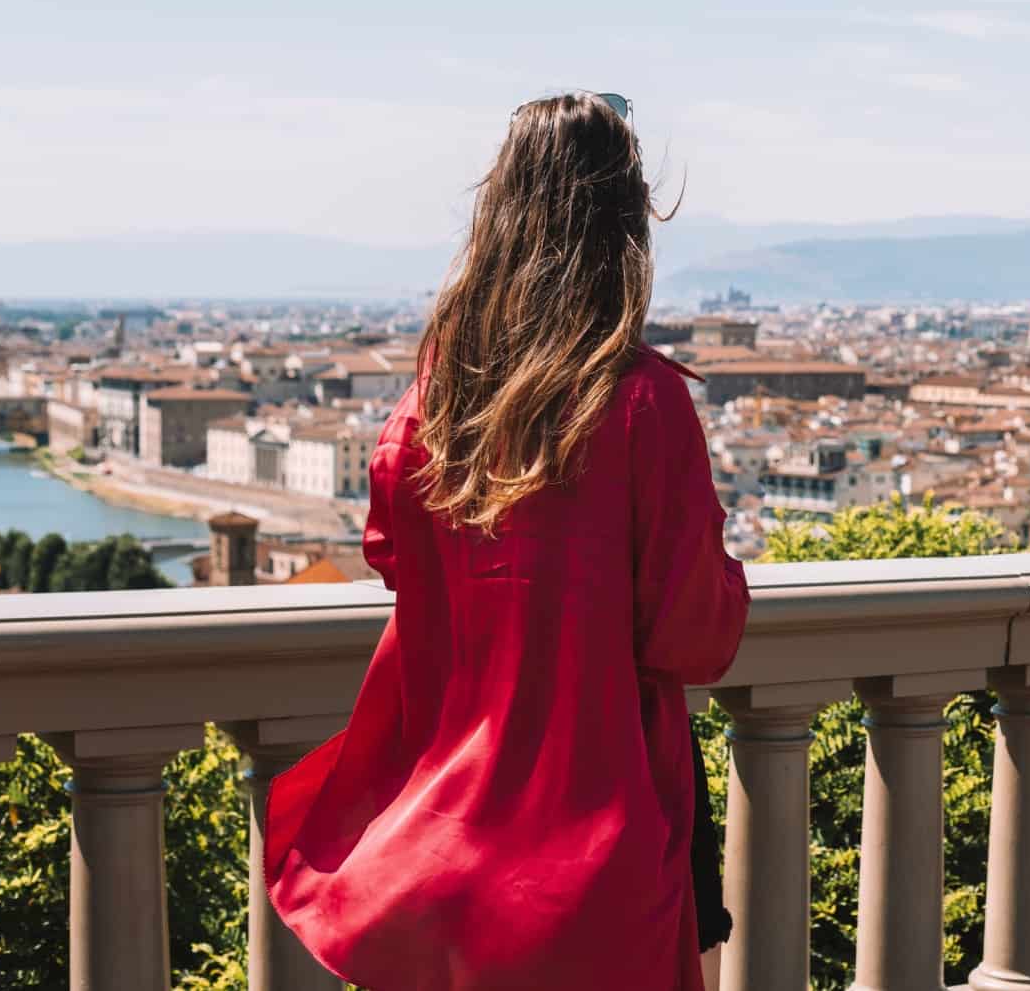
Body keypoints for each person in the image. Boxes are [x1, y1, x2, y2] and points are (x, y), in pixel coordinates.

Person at [265, 92, 750, 990]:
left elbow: (389, 552)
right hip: (606, 837)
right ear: (625, 225)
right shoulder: (643, 402)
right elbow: (695, 636)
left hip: (442, 834)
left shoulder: (436, 401)